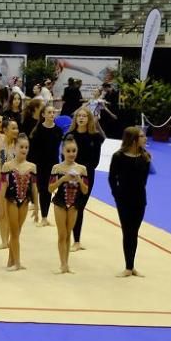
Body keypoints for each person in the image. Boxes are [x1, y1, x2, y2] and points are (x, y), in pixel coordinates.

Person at [109, 127, 150, 277]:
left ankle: (131, 266)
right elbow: (112, 178)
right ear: (133, 139)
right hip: (124, 200)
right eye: (141, 136)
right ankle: (128, 266)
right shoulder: (118, 157)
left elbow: (144, 180)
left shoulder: (145, 157)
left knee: (134, 232)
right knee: (128, 232)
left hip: (139, 199)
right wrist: (117, 195)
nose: (145, 139)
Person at [49, 136, 89, 274]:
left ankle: (67, 264)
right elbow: (50, 188)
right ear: (63, 151)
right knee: (62, 234)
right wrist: (63, 180)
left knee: (68, 234)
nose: (71, 154)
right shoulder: (57, 168)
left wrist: (79, 180)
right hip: (60, 202)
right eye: (68, 151)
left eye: (74, 151)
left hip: (74, 204)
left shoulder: (82, 169)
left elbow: (85, 190)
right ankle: (62, 264)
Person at [68, 106, 105, 251]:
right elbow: (64, 156)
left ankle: (77, 241)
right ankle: (72, 237)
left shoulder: (95, 137)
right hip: (71, 174)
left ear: (89, 119)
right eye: (79, 116)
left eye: (84, 116)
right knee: (72, 206)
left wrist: (82, 172)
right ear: (76, 119)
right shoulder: (70, 135)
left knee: (80, 206)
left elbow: (95, 161)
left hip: (87, 175)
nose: (81, 118)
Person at [0, 134, 38, 271]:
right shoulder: (7, 166)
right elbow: (3, 187)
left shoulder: (32, 167)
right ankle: (17, 263)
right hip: (11, 201)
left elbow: (34, 188)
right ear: (14, 148)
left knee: (17, 232)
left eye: (26, 147)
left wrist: (37, 207)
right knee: (14, 233)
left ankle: (11, 260)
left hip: (25, 202)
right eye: (21, 147)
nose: (24, 149)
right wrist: (0, 208)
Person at [29, 105, 63, 227]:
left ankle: (45, 216)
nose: (52, 114)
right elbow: (33, 151)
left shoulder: (58, 131)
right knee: (42, 189)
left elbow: (58, 149)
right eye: (49, 112)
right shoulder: (38, 130)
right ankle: (41, 215)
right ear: (43, 115)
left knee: (49, 190)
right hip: (40, 164)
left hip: (53, 165)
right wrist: (33, 166)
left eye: (53, 112)